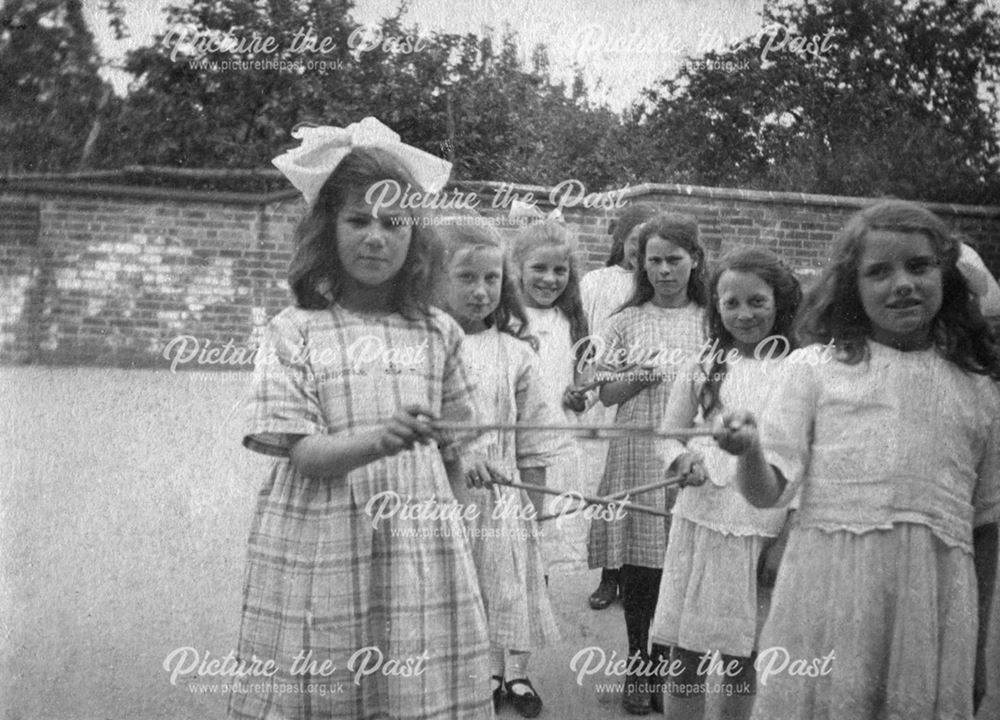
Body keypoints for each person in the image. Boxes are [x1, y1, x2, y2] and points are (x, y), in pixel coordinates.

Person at [230, 119, 492, 719]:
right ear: (328, 229)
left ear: (415, 238)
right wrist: (381, 439)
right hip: (323, 540)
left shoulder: (437, 331)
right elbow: (302, 452)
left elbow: (457, 453)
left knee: (411, 682)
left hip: (418, 545)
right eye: (358, 221)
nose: (376, 238)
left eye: (393, 223)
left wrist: (463, 538)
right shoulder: (294, 330)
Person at [715, 199, 1000, 720]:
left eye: (919, 266)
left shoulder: (978, 389)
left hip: (933, 609)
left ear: (947, 274)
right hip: (827, 596)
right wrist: (750, 450)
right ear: (852, 285)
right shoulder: (814, 370)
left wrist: (979, 649)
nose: (903, 284)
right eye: (878, 272)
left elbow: (987, 525)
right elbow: (767, 491)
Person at [649, 248, 802, 720]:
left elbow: (808, 466)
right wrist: (684, 458)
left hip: (760, 532)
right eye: (730, 302)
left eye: (757, 301)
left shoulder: (801, 369)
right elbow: (668, 435)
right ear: (715, 305)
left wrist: (785, 543)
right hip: (699, 524)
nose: (743, 313)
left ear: (781, 302)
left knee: (744, 656)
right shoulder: (703, 364)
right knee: (688, 653)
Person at [435, 218, 561, 718]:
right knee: (468, 588)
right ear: (436, 280)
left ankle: (518, 674)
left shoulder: (515, 354)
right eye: (466, 278)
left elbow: (534, 439)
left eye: (491, 279)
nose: (481, 290)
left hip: (503, 497)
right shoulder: (428, 345)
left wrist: (536, 504)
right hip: (445, 496)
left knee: (512, 583)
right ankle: (482, 672)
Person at [586, 212, 708, 714]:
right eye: (653, 261)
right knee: (639, 567)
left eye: (673, 260)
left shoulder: (709, 318)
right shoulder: (624, 320)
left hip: (688, 450)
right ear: (640, 264)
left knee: (679, 561)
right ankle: (641, 669)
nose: (663, 270)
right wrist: (643, 373)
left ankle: (669, 669)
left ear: (694, 260)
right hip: (636, 446)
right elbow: (605, 390)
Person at [580, 203, 661, 610]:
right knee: (606, 488)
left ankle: (635, 575)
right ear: (621, 241)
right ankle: (608, 575)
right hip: (603, 385)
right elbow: (583, 332)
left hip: (641, 399)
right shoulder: (597, 281)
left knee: (638, 489)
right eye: (634, 243)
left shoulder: (656, 290)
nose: (639, 253)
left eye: (647, 246)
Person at [511, 219, 592, 571]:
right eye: (539, 268)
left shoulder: (572, 321)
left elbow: (585, 385)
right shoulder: (506, 320)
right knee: (512, 542)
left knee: (544, 549)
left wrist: (580, 396)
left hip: (558, 445)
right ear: (518, 269)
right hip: (514, 447)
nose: (549, 278)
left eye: (560, 270)